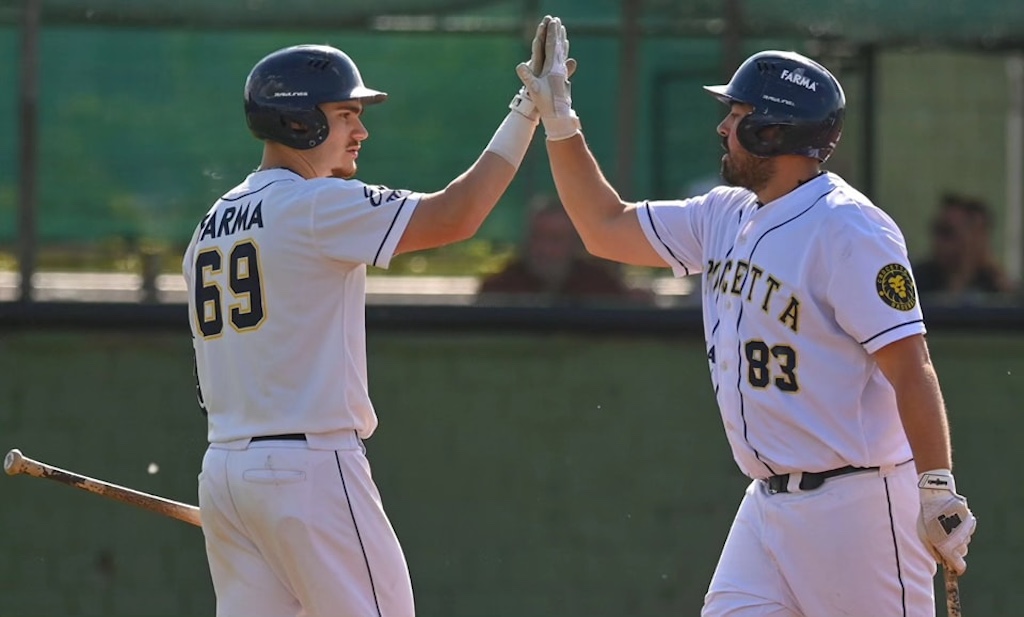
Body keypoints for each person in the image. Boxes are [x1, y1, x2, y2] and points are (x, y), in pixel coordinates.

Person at [517, 17, 977, 616]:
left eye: (738, 115)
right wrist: (560, 122)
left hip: (859, 506)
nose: (723, 126)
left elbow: (911, 368)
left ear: (772, 131)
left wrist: (935, 483)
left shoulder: (849, 229)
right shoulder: (723, 214)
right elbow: (605, 227)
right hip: (766, 505)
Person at [183, 25, 556, 616]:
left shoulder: (211, 223)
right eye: (345, 113)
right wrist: (527, 112)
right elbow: (456, 215)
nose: (360, 129)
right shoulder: (313, 204)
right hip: (308, 468)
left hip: (227, 470)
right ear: (299, 120)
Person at [478, 194, 648, 304]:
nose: (545, 249)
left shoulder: (598, 285)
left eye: (556, 239)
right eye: (538, 237)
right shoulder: (501, 288)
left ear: (574, 244)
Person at [914, 192, 1013, 301]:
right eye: (936, 229)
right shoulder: (918, 280)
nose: (938, 240)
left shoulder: (996, 287)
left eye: (947, 232)